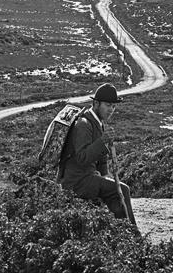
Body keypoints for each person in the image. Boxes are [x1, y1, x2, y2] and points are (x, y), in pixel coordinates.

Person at [58, 83, 137, 227]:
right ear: (96, 103)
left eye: (113, 106)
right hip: (77, 182)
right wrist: (103, 141)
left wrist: (106, 175)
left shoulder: (98, 123)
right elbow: (82, 158)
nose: (111, 110)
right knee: (123, 190)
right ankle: (132, 233)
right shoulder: (84, 124)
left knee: (116, 188)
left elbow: (100, 158)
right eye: (108, 105)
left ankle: (120, 230)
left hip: (87, 178)